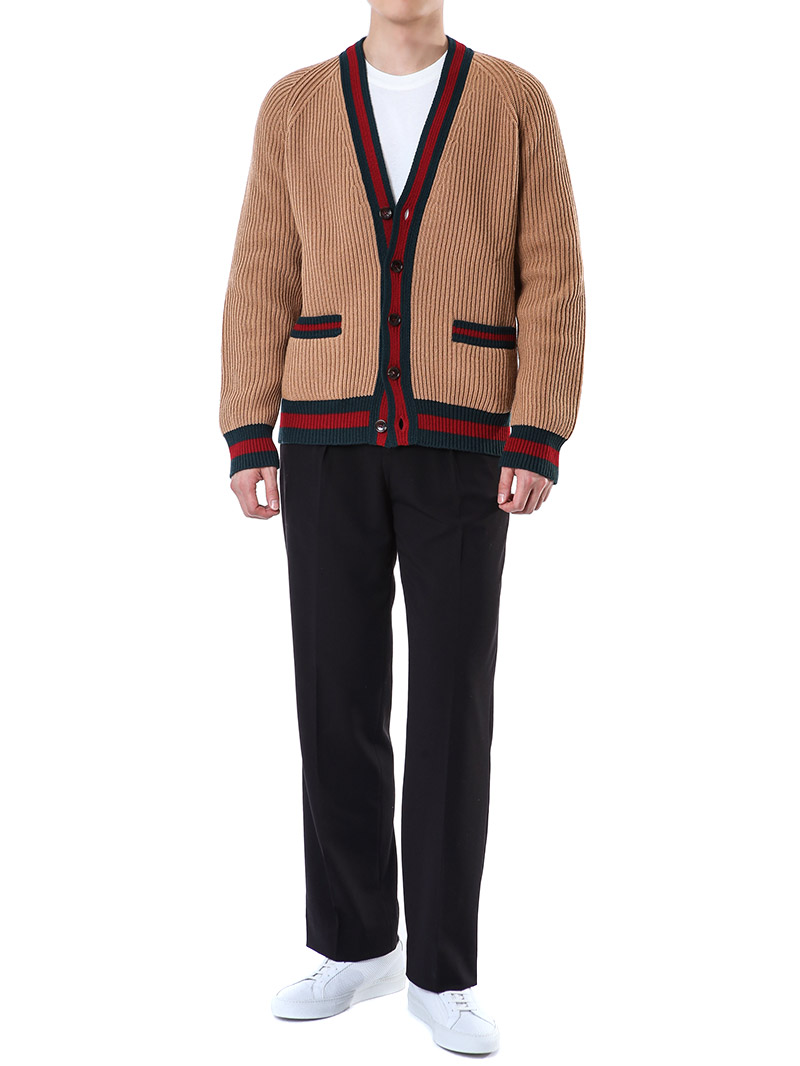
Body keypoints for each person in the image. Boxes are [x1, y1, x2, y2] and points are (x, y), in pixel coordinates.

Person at [219, 0, 584, 1054]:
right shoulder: (294, 105)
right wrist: (247, 427)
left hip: (465, 441)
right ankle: (354, 943)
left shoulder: (513, 100)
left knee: (452, 702)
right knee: (332, 691)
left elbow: (551, 272)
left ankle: (442, 971)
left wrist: (537, 431)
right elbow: (263, 266)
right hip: (324, 436)